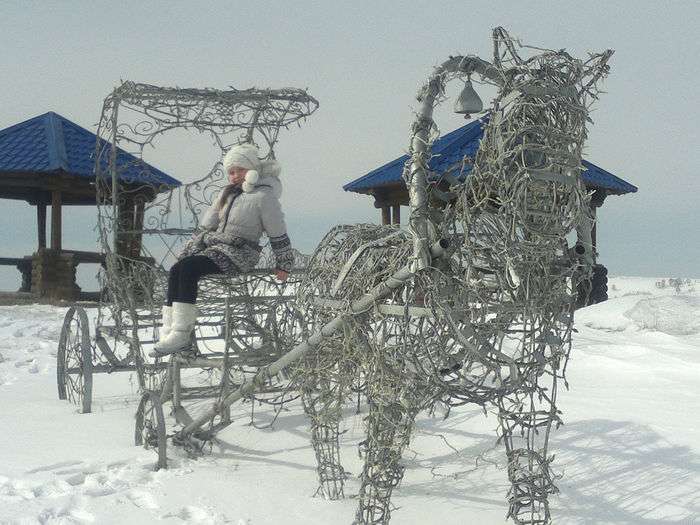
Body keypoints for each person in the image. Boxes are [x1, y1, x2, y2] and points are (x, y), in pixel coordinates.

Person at [153, 143, 294, 355]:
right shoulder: (227, 194)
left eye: (238, 170)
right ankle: (169, 332)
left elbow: (277, 230)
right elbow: (205, 227)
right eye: (230, 172)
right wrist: (187, 250)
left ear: (252, 170)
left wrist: (284, 263)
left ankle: (181, 334)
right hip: (217, 248)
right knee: (178, 268)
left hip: (241, 253)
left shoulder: (264, 197)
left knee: (190, 269)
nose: (234, 176)